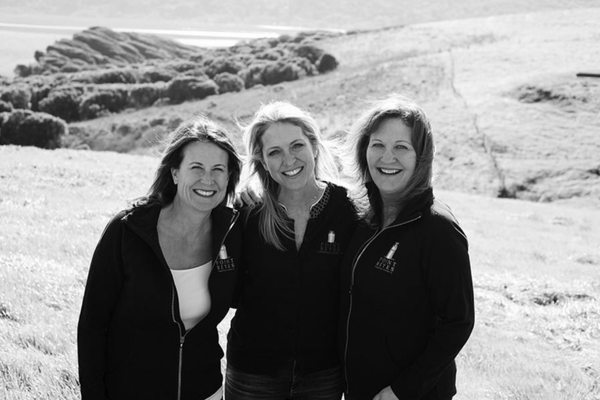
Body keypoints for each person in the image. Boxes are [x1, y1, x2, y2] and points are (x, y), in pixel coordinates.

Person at [77, 116, 242, 400]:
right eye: (196, 167)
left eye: (218, 169)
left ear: (229, 178)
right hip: (130, 390)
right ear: (175, 173)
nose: (208, 179)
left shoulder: (233, 233)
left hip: (205, 390)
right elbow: (92, 324)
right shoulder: (129, 230)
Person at [339, 95, 475, 400]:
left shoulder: (439, 229)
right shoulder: (362, 218)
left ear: (420, 156)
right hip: (358, 389)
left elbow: (458, 322)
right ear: (365, 151)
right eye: (378, 145)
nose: (388, 157)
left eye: (402, 147)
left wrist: (402, 390)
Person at [225, 101, 358, 400]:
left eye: (296, 145)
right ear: (262, 160)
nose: (288, 160)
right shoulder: (248, 211)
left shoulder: (349, 209)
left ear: (313, 145)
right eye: (275, 152)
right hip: (253, 374)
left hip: (323, 374)